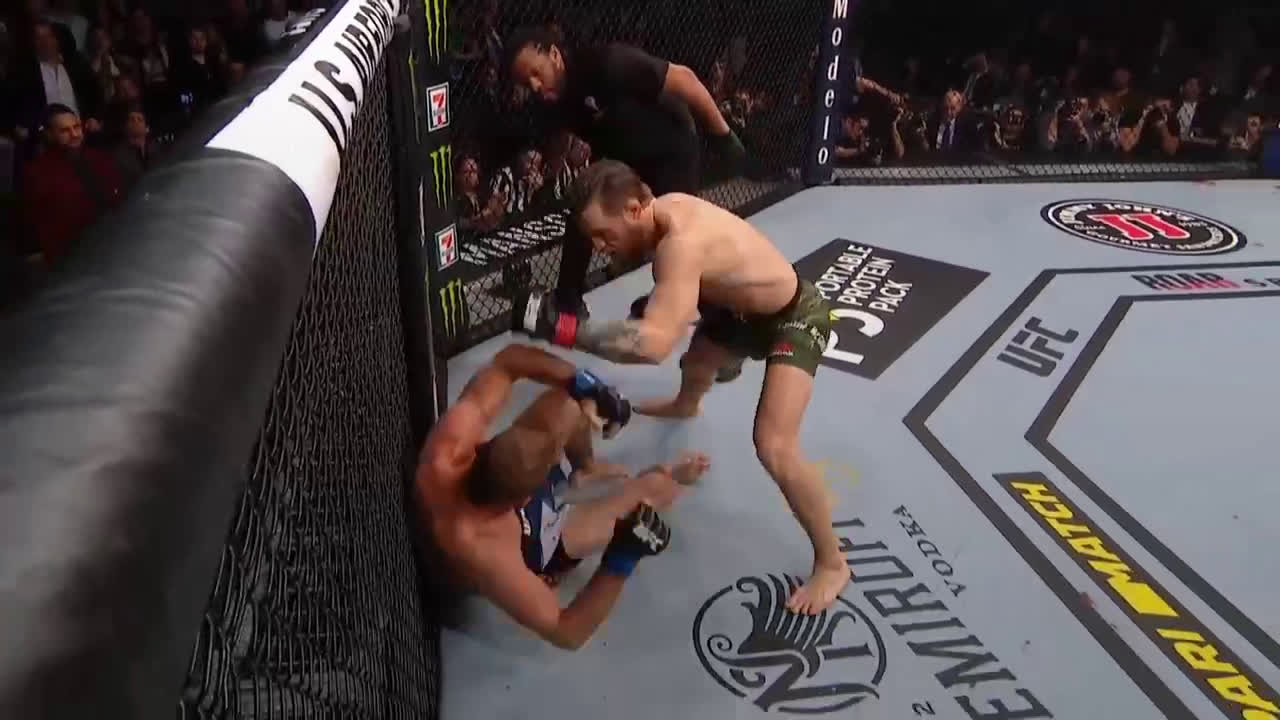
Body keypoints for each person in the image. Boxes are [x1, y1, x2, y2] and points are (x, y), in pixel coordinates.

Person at [511, 160, 847, 615]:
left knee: (774, 444)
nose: (598, 247)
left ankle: (833, 562)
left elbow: (653, 346)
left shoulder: (679, 245)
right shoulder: (664, 213)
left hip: (794, 316)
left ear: (634, 209)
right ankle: (687, 403)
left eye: (603, 234)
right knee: (696, 360)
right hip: (736, 313)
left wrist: (566, 329)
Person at [417, 343, 708, 649]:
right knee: (657, 487)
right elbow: (567, 632)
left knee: (572, 404)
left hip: (497, 500)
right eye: (552, 462)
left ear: (480, 448)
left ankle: (587, 468)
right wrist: (622, 558)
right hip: (534, 546)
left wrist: (585, 385)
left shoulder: (448, 450)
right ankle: (671, 476)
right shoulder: (487, 552)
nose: (556, 456)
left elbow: (509, 360)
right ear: (525, 500)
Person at [504, 27, 746, 319]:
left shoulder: (607, 63)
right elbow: (560, 138)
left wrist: (723, 135)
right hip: (622, 155)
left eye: (536, 72)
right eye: (525, 82)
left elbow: (685, 79)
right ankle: (568, 301)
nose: (534, 85)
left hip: (669, 145)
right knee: (583, 210)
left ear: (554, 55)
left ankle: (717, 309)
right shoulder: (551, 99)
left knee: (676, 233)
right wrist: (549, 180)